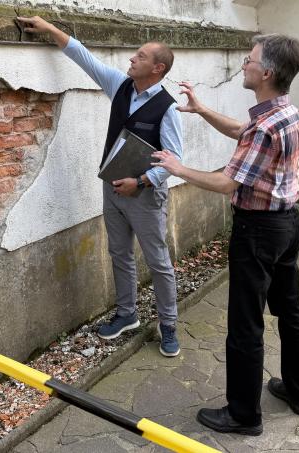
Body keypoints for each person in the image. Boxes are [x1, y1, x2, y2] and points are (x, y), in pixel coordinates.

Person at [152, 34, 299, 435]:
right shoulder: (283, 113)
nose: (244, 64)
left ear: (267, 72)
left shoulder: (265, 126)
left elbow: (227, 183)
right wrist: (201, 109)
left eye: (249, 60)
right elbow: (244, 132)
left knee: (245, 323)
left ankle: (243, 414)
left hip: (258, 232)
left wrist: (177, 168)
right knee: (290, 311)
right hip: (288, 225)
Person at [17, 16, 183, 357]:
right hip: (112, 189)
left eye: (140, 56)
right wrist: (49, 30)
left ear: (158, 67)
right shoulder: (120, 86)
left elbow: (174, 159)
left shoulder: (168, 108)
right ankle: (127, 315)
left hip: (145, 196)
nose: (131, 59)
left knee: (158, 263)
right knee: (119, 252)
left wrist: (139, 181)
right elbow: (83, 56)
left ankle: (168, 326)